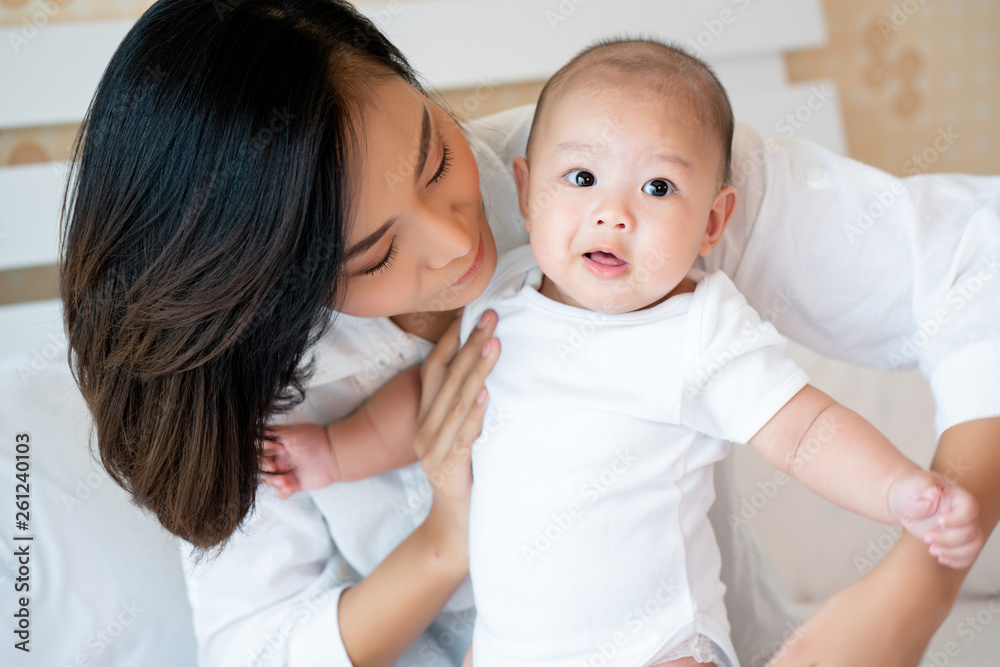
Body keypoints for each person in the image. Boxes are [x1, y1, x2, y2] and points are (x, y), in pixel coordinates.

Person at [56, 0, 1000, 665]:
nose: (456, 241)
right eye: (374, 254)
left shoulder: (624, 160)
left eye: (434, 153)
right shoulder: (258, 381)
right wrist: (445, 540)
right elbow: (254, 649)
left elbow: (972, 265)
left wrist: (911, 590)